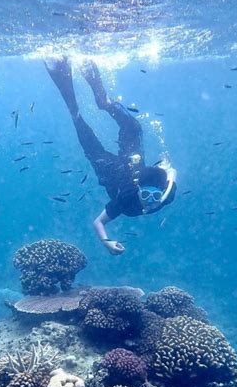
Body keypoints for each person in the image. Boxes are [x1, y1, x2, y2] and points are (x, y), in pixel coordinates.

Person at [45, 57, 177, 255]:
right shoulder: (127, 198)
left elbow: (98, 222)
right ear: (138, 189)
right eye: (147, 194)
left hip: (108, 172)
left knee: (87, 138)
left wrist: (106, 242)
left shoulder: (166, 194)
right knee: (133, 127)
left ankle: (74, 109)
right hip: (129, 166)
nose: (150, 201)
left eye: (155, 196)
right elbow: (166, 171)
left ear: (162, 193)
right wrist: (167, 165)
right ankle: (104, 101)